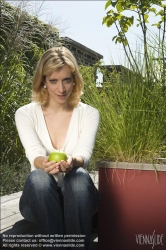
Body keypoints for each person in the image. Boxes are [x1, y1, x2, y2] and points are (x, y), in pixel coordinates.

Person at [15, 46, 100, 250]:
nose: (61, 89)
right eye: (53, 81)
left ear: (75, 80)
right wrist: (43, 164)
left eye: (67, 80)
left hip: (79, 199)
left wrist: (72, 162)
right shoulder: (25, 113)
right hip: (39, 200)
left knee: (78, 176)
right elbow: (33, 152)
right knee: (38, 177)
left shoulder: (89, 113)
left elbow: (84, 154)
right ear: (43, 80)